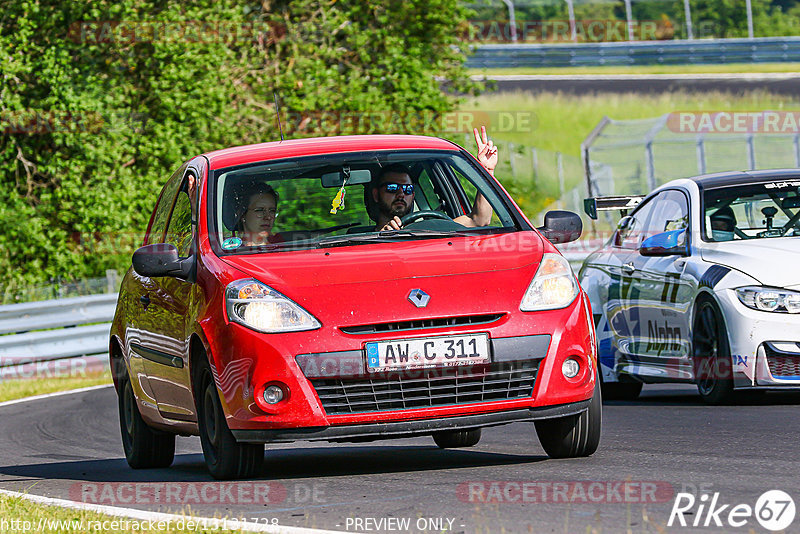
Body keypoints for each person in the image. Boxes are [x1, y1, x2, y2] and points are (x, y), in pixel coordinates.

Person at [373, 126, 499, 231]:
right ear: (376, 195)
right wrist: (383, 235)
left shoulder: (429, 229)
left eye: (408, 189)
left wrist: (487, 170)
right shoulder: (358, 243)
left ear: (413, 195)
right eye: (392, 188)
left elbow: (479, 219)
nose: (401, 194)